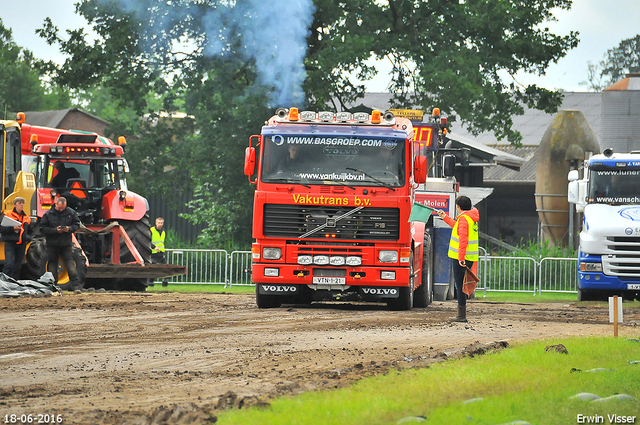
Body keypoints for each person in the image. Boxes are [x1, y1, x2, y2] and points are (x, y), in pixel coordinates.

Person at [437, 196, 479, 323]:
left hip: (461, 258)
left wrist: (461, 258)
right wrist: (445, 217)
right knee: (462, 285)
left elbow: (463, 239)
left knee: (460, 286)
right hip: (469, 257)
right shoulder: (470, 218)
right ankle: (461, 314)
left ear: (459, 207)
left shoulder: (464, 219)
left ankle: (461, 315)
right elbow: (457, 228)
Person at [40, 197, 82, 290]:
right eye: (59, 208)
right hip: (52, 244)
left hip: (66, 243)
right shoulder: (48, 214)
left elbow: (76, 224)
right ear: (56, 204)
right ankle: (53, 286)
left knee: (70, 264)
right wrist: (55, 230)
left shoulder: (71, 213)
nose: (61, 210)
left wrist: (69, 229)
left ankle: (76, 286)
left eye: (63, 208)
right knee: (52, 264)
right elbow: (42, 228)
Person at [0, 197, 32, 280]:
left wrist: (27, 238)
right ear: (15, 205)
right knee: (9, 264)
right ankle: (4, 283)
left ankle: (14, 283)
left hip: (21, 244)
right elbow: (2, 229)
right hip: (10, 243)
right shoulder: (7, 214)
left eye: (23, 203)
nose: (21, 205)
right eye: (19, 203)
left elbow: (30, 231)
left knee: (17, 266)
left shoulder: (26, 217)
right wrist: (13, 228)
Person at [150, 217, 169, 286]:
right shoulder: (151, 230)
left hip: (161, 253)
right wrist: (154, 247)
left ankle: (165, 281)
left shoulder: (163, 232)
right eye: (159, 223)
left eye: (161, 223)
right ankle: (151, 282)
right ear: (156, 223)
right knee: (153, 268)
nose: (160, 224)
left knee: (165, 267)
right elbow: (147, 241)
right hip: (153, 253)